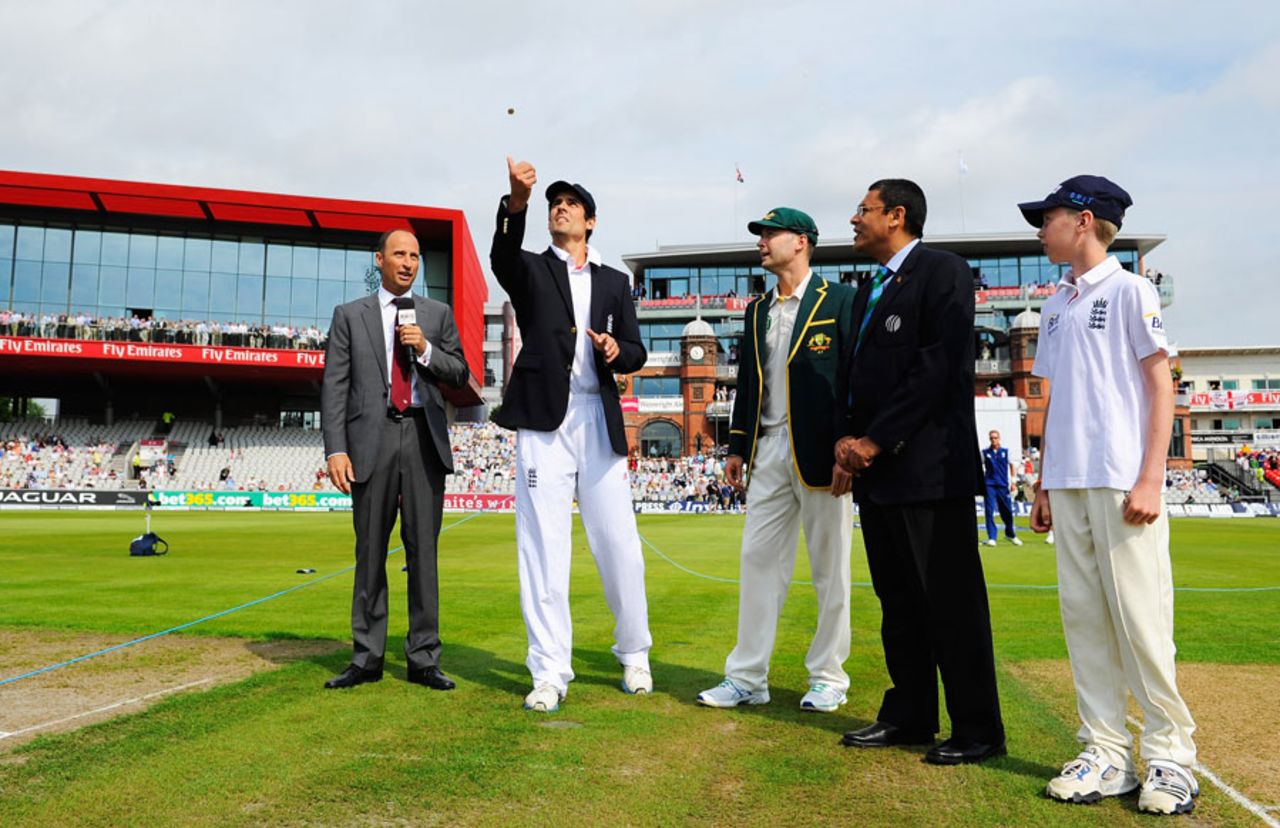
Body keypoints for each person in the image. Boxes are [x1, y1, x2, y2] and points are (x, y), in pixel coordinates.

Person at [1020, 175, 1198, 814]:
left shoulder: (1130, 290)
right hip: (1067, 482)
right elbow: (1055, 400)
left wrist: (1152, 477)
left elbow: (1161, 388)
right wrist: (1042, 481)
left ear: (1085, 221)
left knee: (1142, 622)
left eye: (1050, 217)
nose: (1041, 229)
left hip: (1124, 479)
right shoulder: (1055, 304)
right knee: (1085, 622)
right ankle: (1105, 752)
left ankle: (1172, 757)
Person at [835, 178, 1005, 764]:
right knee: (899, 602)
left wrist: (876, 441)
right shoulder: (865, 292)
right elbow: (856, 377)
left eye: (864, 209)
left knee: (951, 603)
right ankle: (909, 714)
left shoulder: (943, 271)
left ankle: (978, 729)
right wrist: (847, 442)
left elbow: (936, 368)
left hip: (930, 471)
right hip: (878, 476)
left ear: (896, 216)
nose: (854, 219)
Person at [492, 156, 652, 712]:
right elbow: (501, 257)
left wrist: (615, 350)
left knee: (621, 547)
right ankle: (550, 669)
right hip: (543, 421)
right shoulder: (533, 268)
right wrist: (517, 202)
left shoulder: (614, 282)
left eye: (572, 204)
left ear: (591, 222)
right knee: (542, 547)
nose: (560, 208)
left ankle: (634, 653)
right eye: (554, 203)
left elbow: (637, 348)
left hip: (598, 418)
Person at [695, 208, 856, 713]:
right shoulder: (758, 309)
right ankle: (747, 677)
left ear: (802, 242)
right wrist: (738, 446)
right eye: (761, 235)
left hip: (822, 453)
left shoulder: (843, 300)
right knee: (757, 561)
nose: (762, 242)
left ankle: (829, 675)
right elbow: (748, 383)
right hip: (768, 447)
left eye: (771, 234)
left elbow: (852, 379)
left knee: (831, 568)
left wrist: (848, 446)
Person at [320, 229, 470, 692]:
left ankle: (424, 659)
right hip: (371, 439)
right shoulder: (349, 316)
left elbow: (460, 372)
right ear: (380, 259)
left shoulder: (437, 315)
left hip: (424, 437)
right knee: (369, 554)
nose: (408, 262)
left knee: (423, 554)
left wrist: (424, 348)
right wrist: (336, 448)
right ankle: (367, 658)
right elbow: (335, 386)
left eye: (416, 256)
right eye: (400, 254)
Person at [982, 430, 1023, 547]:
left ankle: (1010, 534)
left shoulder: (1005, 452)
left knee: (1007, 511)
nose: (993, 440)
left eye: (995, 438)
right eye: (991, 438)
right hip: (989, 485)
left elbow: (1012, 466)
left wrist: (1013, 482)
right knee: (989, 511)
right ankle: (992, 537)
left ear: (999, 438)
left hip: (1003, 485)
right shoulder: (985, 452)